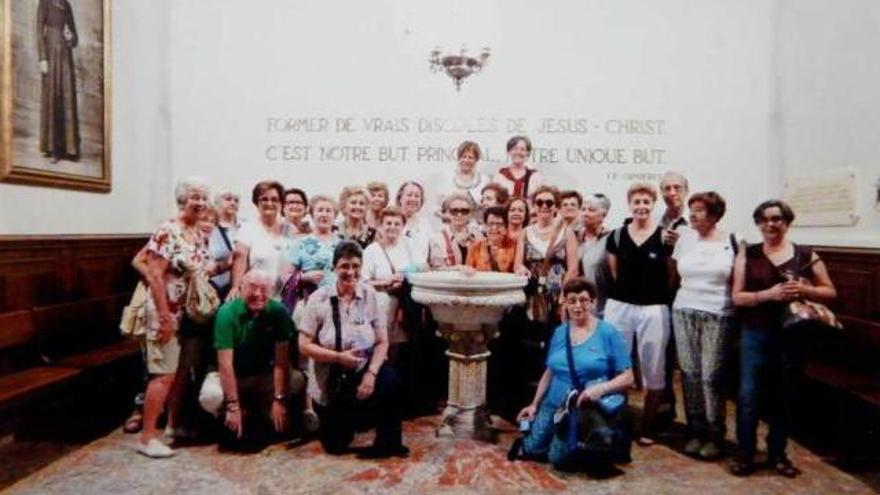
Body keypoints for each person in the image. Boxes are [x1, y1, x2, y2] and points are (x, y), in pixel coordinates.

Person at [729, 199, 836, 477]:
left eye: (776, 219)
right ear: (758, 224)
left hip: (792, 335)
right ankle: (745, 453)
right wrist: (768, 295)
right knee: (749, 395)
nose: (770, 224)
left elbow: (829, 291)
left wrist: (803, 289)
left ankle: (778, 454)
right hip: (755, 333)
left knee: (783, 395)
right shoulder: (747, 254)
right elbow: (737, 297)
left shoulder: (804, 253)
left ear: (787, 222)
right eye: (764, 220)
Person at [298, 241, 409, 458]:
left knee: (392, 380)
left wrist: (371, 374)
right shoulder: (318, 299)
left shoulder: (369, 296)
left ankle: (388, 441)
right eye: (344, 266)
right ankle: (349, 422)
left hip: (361, 372)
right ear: (334, 268)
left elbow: (381, 342)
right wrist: (338, 357)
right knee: (335, 446)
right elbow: (303, 345)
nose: (351, 272)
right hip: (332, 380)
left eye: (356, 266)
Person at [510, 278, 634, 468]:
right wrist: (534, 404)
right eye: (572, 300)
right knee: (531, 449)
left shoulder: (608, 333)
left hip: (581, 407)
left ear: (593, 302)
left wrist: (600, 389)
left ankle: (586, 446)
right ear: (565, 303)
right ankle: (560, 439)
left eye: (583, 300)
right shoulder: (560, 332)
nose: (577, 306)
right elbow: (550, 371)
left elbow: (628, 377)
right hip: (554, 403)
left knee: (557, 458)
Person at [137, 178, 213, 458]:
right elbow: (155, 274)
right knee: (163, 374)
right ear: (182, 199)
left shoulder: (197, 232)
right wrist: (165, 315)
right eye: (195, 197)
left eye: (204, 197)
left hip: (189, 312)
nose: (201, 203)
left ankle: (173, 426)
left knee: (181, 372)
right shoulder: (168, 230)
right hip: (165, 312)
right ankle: (146, 438)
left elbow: (199, 270)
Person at [199, 270, 305, 446]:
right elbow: (225, 364)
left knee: (297, 379)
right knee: (210, 396)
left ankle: (263, 408)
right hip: (232, 375)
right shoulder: (226, 313)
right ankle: (227, 415)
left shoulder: (279, 312)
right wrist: (233, 405)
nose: (258, 294)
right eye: (252, 288)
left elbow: (281, 361)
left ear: (271, 291)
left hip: (263, 375)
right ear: (240, 289)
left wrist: (280, 399)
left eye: (263, 289)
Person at [670, 191, 738, 460]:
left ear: (715, 213)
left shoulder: (733, 240)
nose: (693, 214)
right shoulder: (685, 238)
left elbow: (738, 278)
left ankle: (715, 433)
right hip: (684, 309)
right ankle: (695, 429)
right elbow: (674, 276)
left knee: (711, 376)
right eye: (692, 209)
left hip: (718, 313)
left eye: (699, 209)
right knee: (689, 372)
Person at [604, 182, 673, 445]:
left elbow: (670, 276)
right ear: (629, 204)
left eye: (646, 202)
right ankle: (617, 420)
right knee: (617, 363)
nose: (641, 206)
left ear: (653, 204)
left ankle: (649, 425)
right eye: (637, 202)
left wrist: (651, 298)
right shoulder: (617, 236)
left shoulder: (665, 237)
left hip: (654, 308)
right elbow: (614, 273)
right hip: (620, 305)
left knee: (653, 365)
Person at [514, 185, 579, 337]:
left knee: (556, 337)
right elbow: (518, 263)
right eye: (539, 202)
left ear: (556, 206)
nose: (544, 206)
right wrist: (521, 269)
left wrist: (563, 297)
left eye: (549, 203)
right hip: (532, 297)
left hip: (557, 297)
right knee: (531, 340)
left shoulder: (566, 232)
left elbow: (573, 268)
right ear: (534, 206)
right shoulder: (526, 232)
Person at [281, 195, 342, 316]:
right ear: (312, 214)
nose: (324, 214)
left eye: (328, 211)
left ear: (334, 216)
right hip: (309, 303)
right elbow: (285, 276)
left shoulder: (342, 243)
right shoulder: (300, 243)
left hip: (338, 303)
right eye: (320, 210)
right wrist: (304, 277)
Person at [230, 181, 289, 300]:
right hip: (257, 297)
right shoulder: (247, 229)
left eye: (274, 199)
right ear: (257, 202)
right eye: (264, 199)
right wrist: (235, 287)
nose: (269, 203)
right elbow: (240, 260)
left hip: (286, 299)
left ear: (281, 203)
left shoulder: (290, 230)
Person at [37, 0, 80, 163]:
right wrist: (42, 58)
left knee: (67, 97)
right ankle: (53, 148)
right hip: (50, 53)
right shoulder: (44, 3)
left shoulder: (67, 5)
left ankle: (69, 148)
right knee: (52, 96)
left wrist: (71, 38)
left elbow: (75, 38)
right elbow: (39, 31)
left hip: (65, 56)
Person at [579, 194, 613, 318]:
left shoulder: (611, 239)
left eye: (591, 210)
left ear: (604, 215)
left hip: (602, 308)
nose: (585, 213)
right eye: (583, 209)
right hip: (578, 306)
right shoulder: (575, 237)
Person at [436, 141, 490, 219]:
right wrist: (447, 217)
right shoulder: (447, 178)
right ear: (458, 158)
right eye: (463, 156)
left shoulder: (484, 179)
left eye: (470, 157)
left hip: (476, 226)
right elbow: (436, 207)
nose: (466, 160)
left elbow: (489, 205)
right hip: (451, 226)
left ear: (476, 160)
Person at [429, 193, 482, 271]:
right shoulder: (438, 239)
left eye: (464, 211)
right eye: (454, 211)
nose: (459, 214)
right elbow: (436, 269)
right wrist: (456, 269)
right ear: (447, 213)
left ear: (470, 214)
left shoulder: (478, 236)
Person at [466, 207, 517, 273]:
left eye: (499, 224)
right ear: (485, 226)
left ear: (506, 226)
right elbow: (468, 272)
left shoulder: (514, 247)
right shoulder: (475, 247)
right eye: (490, 224)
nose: (494, 228)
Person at [493, 136, 545, 200]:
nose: (518, 152)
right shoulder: (500, 176)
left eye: (522, 149)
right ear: (508, 152)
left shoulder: (536, 176)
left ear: (527, 153)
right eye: (515, 149)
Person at [397, 181, 433, 265]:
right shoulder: (392, 221)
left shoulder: (425, 224)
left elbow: (433, 250)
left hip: (420, 275)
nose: (413, 199)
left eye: (417, 196)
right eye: (409, 195)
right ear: (400, 198)